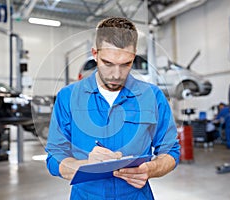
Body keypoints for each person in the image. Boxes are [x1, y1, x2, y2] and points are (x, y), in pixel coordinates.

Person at [45, 17, 180, 199]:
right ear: (95, 54)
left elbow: (170, 151)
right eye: (107, 63)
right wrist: (84, 166)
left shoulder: (153, 97)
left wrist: (151, 169)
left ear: (134, 56)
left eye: (126, 64)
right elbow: (55, 157)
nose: (116, 74)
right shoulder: (68, 97)